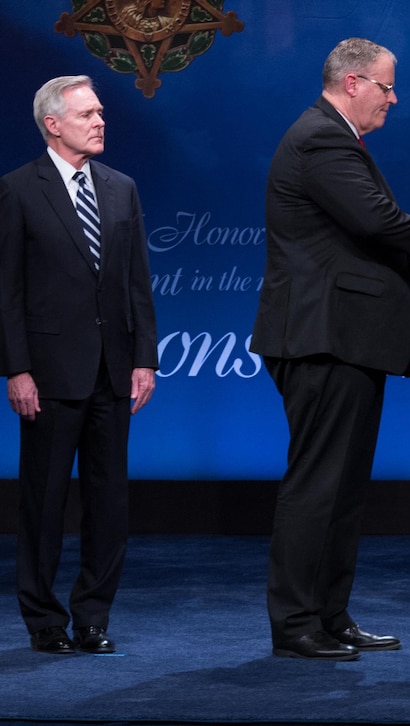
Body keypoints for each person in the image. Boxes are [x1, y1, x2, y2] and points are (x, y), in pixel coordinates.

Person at [249, 38, 410, 661]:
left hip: (345, 338)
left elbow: (367, 225)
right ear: (352, 82)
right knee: (317, 483)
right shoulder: (321, 136)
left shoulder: (332, 137)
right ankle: (296, 622)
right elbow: (374, 219)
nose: (393, 98)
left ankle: (330, 614)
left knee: (343, 488)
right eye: (386, 85)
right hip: (322, 337)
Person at [0, 75, 159, 655]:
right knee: (43, 504)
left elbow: (136, 283)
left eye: (100, 114)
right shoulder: (17, 190)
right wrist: (16, 369)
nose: (100, 122)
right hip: (47, 374)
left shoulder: (121, 189)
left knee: (109, 501)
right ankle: (44, 621)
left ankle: (92, 617)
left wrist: (145, 358)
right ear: (53, 123)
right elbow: (6, 291)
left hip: (113, 373)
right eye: (88, 114)